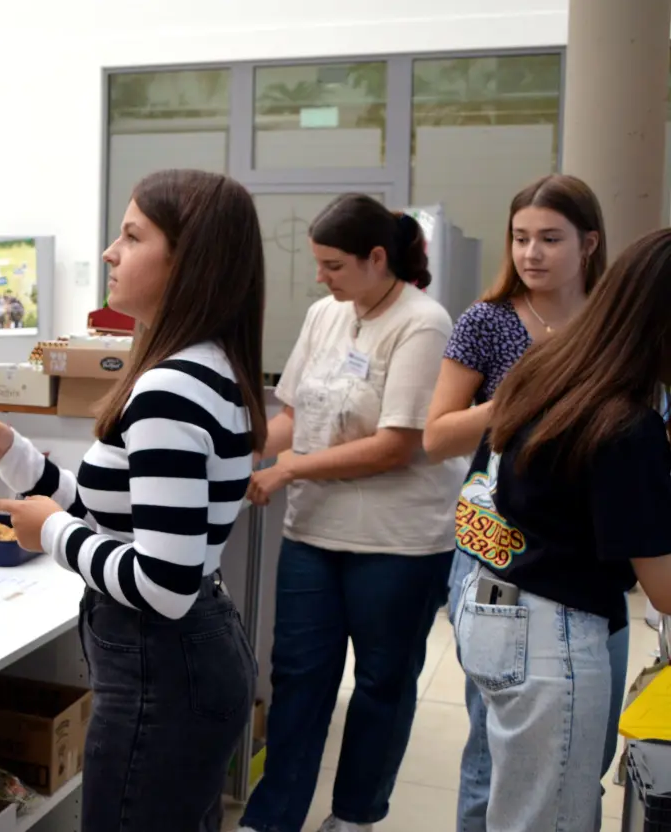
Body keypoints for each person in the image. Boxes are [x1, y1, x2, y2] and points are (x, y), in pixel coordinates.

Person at [0, 168, 265, 830]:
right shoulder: (200, 366)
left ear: (187, 260)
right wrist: (18, 458)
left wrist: (49, 532)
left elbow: (163, 582)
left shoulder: (171, 388)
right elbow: (112, 511)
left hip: (163, 672)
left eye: (132, 236)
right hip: (184, 663)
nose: (111, 252)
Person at [236, 195, 463, 832]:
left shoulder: (423, 323)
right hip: (314, 532)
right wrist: (238, 451)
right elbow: (291, 418)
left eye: (333, 264)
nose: (321, 277)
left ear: (378, 258)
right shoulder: (324, 315)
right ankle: (271, 817)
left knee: (381, 683)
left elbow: (398, 445)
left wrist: (287, 471)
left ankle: (355, 814)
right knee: (299, 677)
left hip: (398, 542)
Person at [456, 227, 671, 831]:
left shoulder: (551, 369)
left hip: (493, 605)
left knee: (515, 808)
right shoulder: (625, 425)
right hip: (553, 635)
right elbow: (664, 588)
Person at [420, 175, 612, 832]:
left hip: (589, 559)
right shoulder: (489, 322)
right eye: (521, 238)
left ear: (589, 243)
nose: (531, 253)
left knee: (582, 744)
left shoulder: (614, 325)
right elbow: (436, 434)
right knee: (491, 750)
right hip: (495, 554)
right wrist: (518, 399)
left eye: (549, 239)